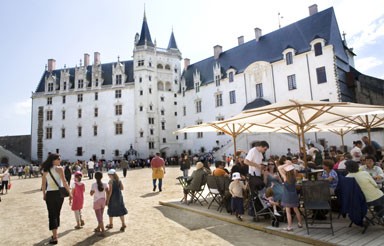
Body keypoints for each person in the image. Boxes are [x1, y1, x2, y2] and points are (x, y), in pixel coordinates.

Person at [41, 153, 72, 245]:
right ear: (53, 160)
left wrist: (44, 194)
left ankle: (55, 236)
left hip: (50, 193)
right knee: (56, 213)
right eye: (58, 159)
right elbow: (64, 182)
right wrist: (70, 193)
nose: (60, 160)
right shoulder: (59, 168)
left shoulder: (45, 170)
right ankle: (55, 235)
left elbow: (43, 184)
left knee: (52, 214)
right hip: (59, 194)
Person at [277, 161, 303, 232]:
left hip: (287, 195)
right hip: (294, 194)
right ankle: (300, 223)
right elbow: (293, 169)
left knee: (288, 211)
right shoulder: (294, 176)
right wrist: (290, 164)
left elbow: (279, 168)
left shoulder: (285, 177)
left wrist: (286, 164)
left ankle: (289, 226)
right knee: (296, 210)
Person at [90, 171, 109, 236]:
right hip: (103, 200)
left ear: (95, 177)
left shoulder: (93, 185)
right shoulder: (105, 184)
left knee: (99, 217)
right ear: (102, 177)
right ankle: (98, 227)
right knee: (101, 215)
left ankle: (103, 231)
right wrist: (107, 200)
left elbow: (91, 194)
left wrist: (91, 192)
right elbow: (107, 192)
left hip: (96, 201)